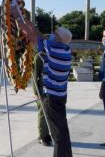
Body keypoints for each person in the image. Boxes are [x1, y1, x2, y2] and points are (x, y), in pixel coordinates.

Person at [36, 27, 73, 157]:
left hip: (52, 97)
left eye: (54, 33)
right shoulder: (66, 50)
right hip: (61, 96)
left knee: (57, 133)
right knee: (62, 129)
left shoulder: (53, 49)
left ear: (59, 38)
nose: (51, 35)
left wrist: (19, 18)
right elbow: (42, 38)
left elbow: (36, 36)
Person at [33, 51, 52, 146]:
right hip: (42, 91)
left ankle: (47, 134)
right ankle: (41, 136)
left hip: (51, 90)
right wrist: (36, 92)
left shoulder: (52, 54)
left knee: (48, 114)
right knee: (42, 113)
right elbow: (35, 75)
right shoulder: (39, 57)